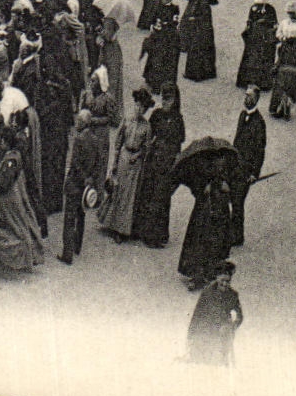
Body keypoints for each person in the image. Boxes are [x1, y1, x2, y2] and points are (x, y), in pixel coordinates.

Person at [133, 83, 186, 248]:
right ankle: (141, 230)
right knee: (147, 193)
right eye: (163, 98)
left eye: (168, 98)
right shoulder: (156, 115)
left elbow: (178, 144)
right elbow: (148, 134)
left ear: (175, 100)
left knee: (161, 198)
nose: (165, 101)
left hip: (167, 162)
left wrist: (175, 164)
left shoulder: (178, 120)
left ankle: (156, 235)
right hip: (153, 160)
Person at [0, 122, 44, 272]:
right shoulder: (15, 155)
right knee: (21, 224)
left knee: (13, 227)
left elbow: (4, 182)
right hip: (16, 196)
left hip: (8, 200)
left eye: (1, 140)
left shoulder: (10, 159)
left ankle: (21, 258)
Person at [100, 89, 152, 240]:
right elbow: (118, 142)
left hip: (135, 163)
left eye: (142, 107)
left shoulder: (146, 127)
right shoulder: (127, 120)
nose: (139, 109)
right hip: (124, 156)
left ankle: (122, 230)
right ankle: (111, 222)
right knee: (117, 190)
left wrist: (138, 155)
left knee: (128, 196)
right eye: (137, 105)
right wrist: (115, 162)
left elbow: (146, 148)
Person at [58, 109, 107, 265]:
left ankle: (67, 253)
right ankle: (77, 247)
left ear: (83, 123)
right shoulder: (95, 139)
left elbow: (75, 163)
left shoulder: (79, 139)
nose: (76, 123)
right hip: (87, 187)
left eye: (78, 121)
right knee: (81, 216)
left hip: (75, 183)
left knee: (69, 218)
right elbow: (100, 162)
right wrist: (91, 178)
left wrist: (82, 177)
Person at [179, 172, 235, 290]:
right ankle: (195, 274)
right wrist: (202, 186)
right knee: (199, 237)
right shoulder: (201, 157)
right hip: (204, 205)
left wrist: (228, 184)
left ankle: (213, 271)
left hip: (221, 204)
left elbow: (236, 174)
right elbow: (190, 176)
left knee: (218, 238)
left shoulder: (230, 156)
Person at [185, 260, 243, 365]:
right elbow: (197, 314)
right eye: (222, 280)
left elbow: (239, 316)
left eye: (227, 281)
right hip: (205, 332)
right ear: (217, 278)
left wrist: (232, 326)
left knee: (218, 364)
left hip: (222, 336)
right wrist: (191, 335)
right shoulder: (207, 293)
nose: (224, 284)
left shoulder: (233, 295)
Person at [229, 87, 267, 248]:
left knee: (238, 202)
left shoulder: (259, 122)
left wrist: (254, 173)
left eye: (250, 96)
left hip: (246, 169)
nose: (246, 98)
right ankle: (232, 232)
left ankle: (237, 236)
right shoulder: (242, 115)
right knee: (233, 199)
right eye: (246, 95)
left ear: (256, 99)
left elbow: (260, 149)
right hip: (235, 165)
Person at [235, 0, 278, 91]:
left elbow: (274, 23)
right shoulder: (253, 8)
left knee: (264, 59)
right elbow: (249, 20)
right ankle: (248, 80)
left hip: (265, 37)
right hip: (254, 37)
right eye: (256, 5)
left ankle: (263, 83)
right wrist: (249, 26)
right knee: (251, 59)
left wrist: (265, 23)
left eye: (259, 5)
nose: (257, 7)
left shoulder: (270, 9)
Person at [179, 0, 219, 82]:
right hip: (198, 31)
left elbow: (205, 19)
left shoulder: (204, 4)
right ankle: (196, 73)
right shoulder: (195, 2)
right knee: (195, 52)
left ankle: (198, 74)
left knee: (199, 52)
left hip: (202, 33)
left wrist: (194, 19)